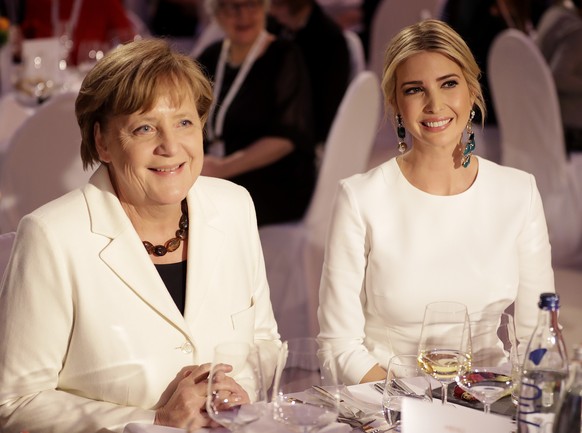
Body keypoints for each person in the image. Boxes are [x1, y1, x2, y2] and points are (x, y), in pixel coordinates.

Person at [0, 38, 280, 432]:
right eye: (144, 128)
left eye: (184, 122)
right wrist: (154, 421)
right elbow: (15, 403)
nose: (170, 146)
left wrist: (235, 393)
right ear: (103, 143)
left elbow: (264, 343)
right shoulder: (51, 237)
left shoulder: (235, 207)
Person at [317, 19, 554, 385]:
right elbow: (339, 346)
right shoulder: (360, 198)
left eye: (449, 84)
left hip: (488, 394)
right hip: (387, 400)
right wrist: (412, 404)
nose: (435, 104)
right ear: (395, 103)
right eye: (415, 90)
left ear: (472, 91)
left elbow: (537, 335)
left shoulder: (518, 192)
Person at [197, 0, 316, 226]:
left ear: (265, 9)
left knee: (205, 214)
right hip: (214, 172)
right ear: (218, 14)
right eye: (233, 7)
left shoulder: (285, 55)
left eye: (252, 5)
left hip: (272, 180)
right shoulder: (209, 59)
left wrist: (223, 168)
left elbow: (287, 138)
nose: (243, 15)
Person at [268, 0, 351, 145]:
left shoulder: (329, 40)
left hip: (302, 133)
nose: (270, 11)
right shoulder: (273, 27)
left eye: (277, 5)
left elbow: (327, 108)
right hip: (274, 120)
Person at [20, 0, 136, 65]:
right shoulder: (37, 3)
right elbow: (24, 40)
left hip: (90, 84)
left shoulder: (103, 3)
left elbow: (129, 41)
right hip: (45, 83)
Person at [536, 0, 582, 153]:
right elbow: (558, 77)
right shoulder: (576, 31)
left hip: (543, 118)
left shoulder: (553, 14)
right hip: (570, 127)